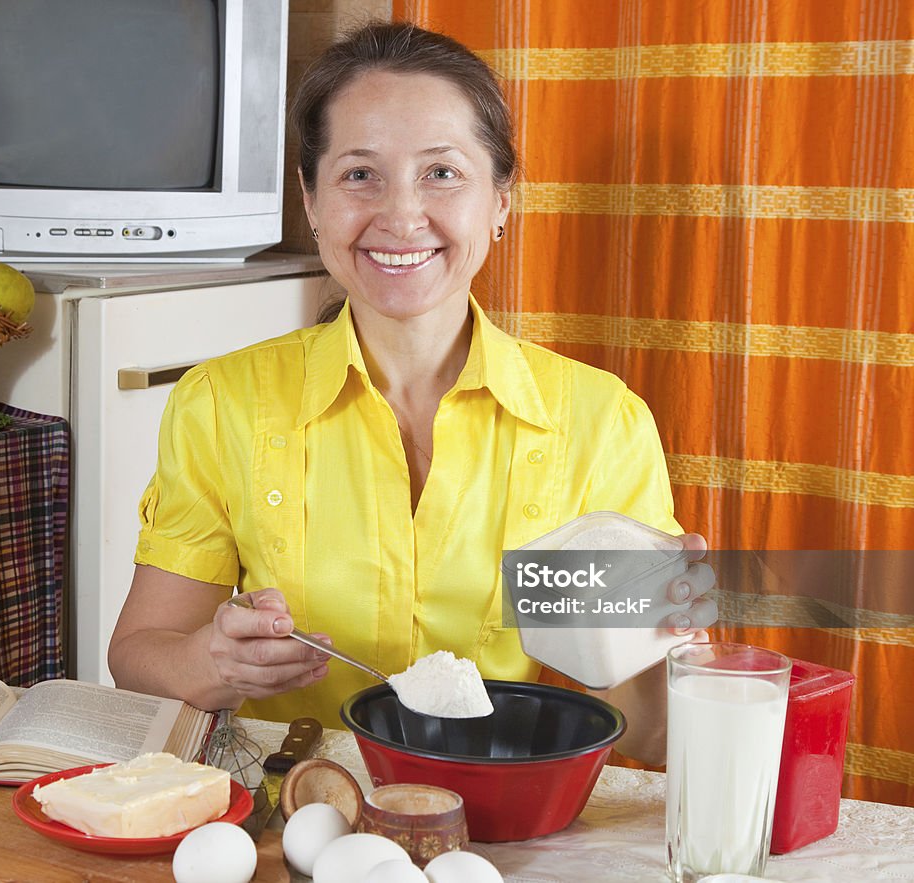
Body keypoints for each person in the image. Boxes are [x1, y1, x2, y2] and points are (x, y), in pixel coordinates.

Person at [108, 21, 715, 764]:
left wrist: (669, 641)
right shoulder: (222, 401)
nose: (401, 216)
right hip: (291, 802)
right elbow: (138, 654)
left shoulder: (599, 421)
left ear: (500, 200)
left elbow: (649, 735)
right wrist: (213, 661)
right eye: (360, 174)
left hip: (500, 816)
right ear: (312, 197)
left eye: (442, 173)